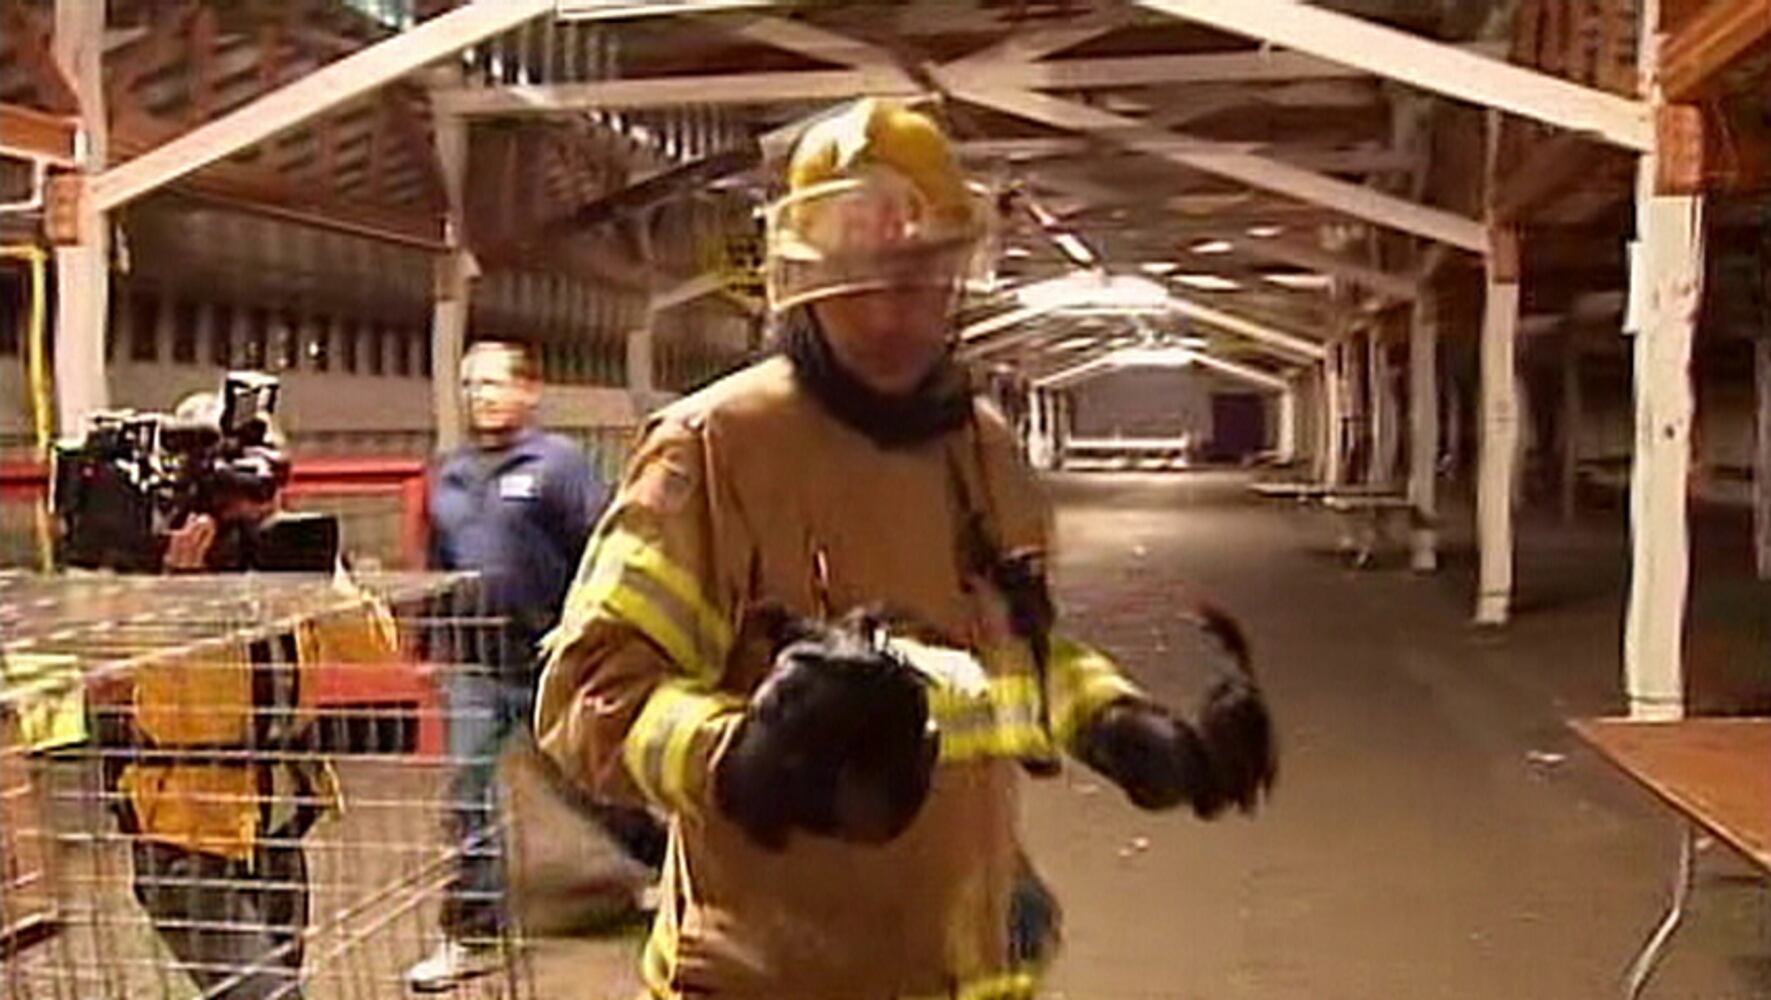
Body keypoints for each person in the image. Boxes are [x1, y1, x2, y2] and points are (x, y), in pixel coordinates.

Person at [533, 97, 1278, 1000]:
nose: (892, 309)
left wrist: (1119, 726)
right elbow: (586, 701)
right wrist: (738, 755)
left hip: (970, 970)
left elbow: (1003, 659)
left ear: (956, 277)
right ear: (799, 279)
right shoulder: (714, 448)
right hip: (768, 978)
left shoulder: (984, 449)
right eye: (860, 276)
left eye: (919, 273)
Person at [409, 340, 661, 991]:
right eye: (472, 385)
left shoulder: (558, 465)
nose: (482, 396)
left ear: (528, 391)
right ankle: (471, 932)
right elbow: (438, 566)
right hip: (475, 664)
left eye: (495, 384)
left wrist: (593, 637)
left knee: (589, 780)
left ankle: (661, 864)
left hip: (551, 660)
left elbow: (605, 551)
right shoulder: (451, 474)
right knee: (468, 791)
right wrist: (428, 644)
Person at [117, 390, 385, 1000]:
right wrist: (178, 585)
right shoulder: (146, 563)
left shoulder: (291, 554)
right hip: (187, 836)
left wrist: (321, 579)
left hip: (276, 827)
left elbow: (372, 648)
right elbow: (116, 669)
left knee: (277, 985)